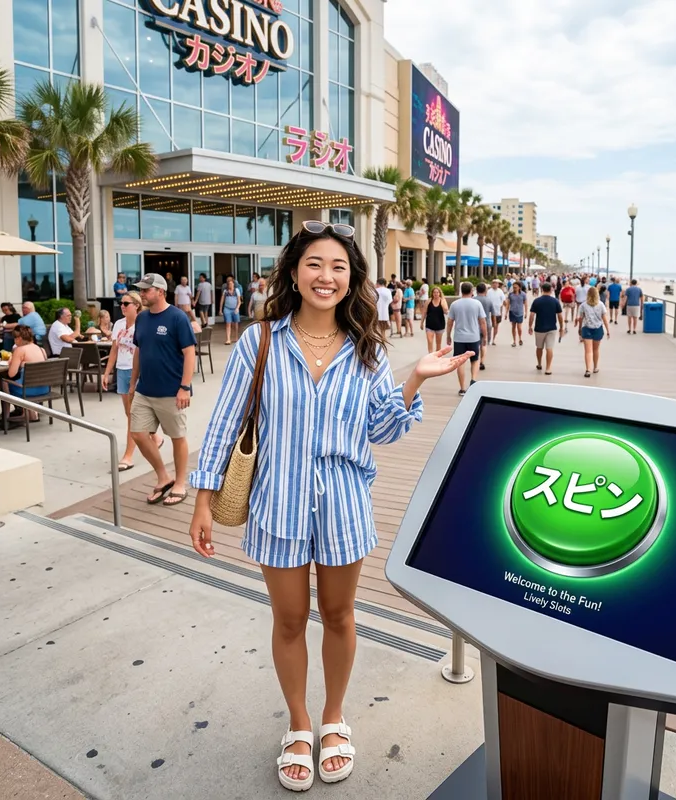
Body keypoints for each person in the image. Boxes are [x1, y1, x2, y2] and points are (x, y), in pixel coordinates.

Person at [188, 220, 469, 792]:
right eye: (316, 264)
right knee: (289, 619)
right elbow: (222, 426)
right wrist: (203, 499)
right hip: (277, 503)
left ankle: (334, 718)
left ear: (351, 279)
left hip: (343, 504)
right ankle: (298, 723)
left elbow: (382, 429)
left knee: (340, 616)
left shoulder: (366, 351)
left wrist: (414, 377)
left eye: (339, 267)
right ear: (295, 272)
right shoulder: (259, 340)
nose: (326, 276)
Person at [129, 273, 196, 508]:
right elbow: (139, 350)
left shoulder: (177, 318)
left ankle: (179, 482)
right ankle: (163, 477)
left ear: (160, 291)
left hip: (172, 391)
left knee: (177, 437)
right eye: (141, 290)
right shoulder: (142, 318)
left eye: (146, 290)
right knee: (138, 434)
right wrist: (132, 382)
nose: (142, 294)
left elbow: (189, 353)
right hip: (144, 390)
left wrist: (184, 387)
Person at [103, 291, 163, 471]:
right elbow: (114, 350)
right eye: (121, 303)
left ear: (136, 305)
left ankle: (128, 455)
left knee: (133, 416)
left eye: (126, 303)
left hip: (138, 370)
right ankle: (155, 437)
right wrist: (107, 373)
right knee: (130, 413)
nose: (122, 306)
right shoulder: (119, 324)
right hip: (122, 370)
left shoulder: (143, 322)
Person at [447, 281, 486, 396]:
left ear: (461, 291)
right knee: (474, 360)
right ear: (471, 291)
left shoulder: (455, 304)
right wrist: (485, 336)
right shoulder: (477, 304)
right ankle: (473, 380)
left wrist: (448, 335)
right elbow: (482, 322)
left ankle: (462, 388)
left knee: (460, 362)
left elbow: (450, 322)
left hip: (459, 338)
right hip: (474, 337)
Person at [2, 326, 48, 422]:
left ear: (19, 338)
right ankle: (30, 413)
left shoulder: (20, 350)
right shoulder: (41, 349)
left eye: (14, 338)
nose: (14, 341)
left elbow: (11, 374)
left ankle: (6, 417)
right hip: (44, 388)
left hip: (27, 391)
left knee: (4, 382)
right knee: (25, 380)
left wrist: (11, 362)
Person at [528, 282, 564, 375]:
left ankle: (539, 364)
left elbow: (532, 315)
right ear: (551, 289)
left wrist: (530, 326)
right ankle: (548, 368)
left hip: (539, 327)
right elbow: (560, 315)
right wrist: (561, 327)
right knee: (549, 348)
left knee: (539, 347)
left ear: (542, 289)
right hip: (552, 327)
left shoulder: (537, 301)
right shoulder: (555, 301)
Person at [577, 286, 610, 377]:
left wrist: (579, 329)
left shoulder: (583, 305)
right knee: (596, 349)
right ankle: (595, 367)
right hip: (598, 328)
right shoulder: (601, 304)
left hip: (586, 328)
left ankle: (588, 369)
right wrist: (608, 330)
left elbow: (580, 318)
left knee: (588, 351)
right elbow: (604, 319)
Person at [421, 285, 449, 353]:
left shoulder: (442, 300)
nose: (436, 294)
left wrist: (442, 304)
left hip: (440, 324)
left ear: (440, 293)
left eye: (437, 292)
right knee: (430, 341)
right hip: (429, 324)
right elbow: (424, 312)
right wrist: (421, 322)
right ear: (432, 293)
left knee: (438, 343)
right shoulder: (429, 301)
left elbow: (446, 311)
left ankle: (437, 357)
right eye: (434, 292)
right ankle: (430, 355)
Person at [475, 283, 494, 371]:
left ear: (476, 290)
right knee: (484, 343)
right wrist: (494, 324)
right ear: (485, 291)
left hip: (475, 325)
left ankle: (476, 360)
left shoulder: (473, 300)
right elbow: (493, 314)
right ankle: (482, 361)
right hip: (487, 324)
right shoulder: (489, 300)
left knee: (477, 344)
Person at [220, 275, 242, 345]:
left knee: (236, 324)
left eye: (231, 283)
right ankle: (228, 339)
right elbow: (222, 301)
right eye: (229, 284)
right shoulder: (225, 291)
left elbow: (239, 301)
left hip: (235, 309)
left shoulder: (237, 290)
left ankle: (236, 337)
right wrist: (220, 310)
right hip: (227, 309)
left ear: (233, 284)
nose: (230, 285)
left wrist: (237, 308)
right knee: (228, 323)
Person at [505, 282, 528, 346]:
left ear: (519, 287)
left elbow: (526, 304)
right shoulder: (510, 294)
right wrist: (506, 313)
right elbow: (508, 304)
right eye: (513, 287)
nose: (514, 288)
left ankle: (520, 338)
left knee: (519, 328)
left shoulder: (523, 294)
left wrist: (526, 312)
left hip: (520, 313)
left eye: (516, 287)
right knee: (513, 327)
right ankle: (514, 341)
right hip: (512, 312)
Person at [488, 279, 506, 345]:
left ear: (498, 285)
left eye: (496, 283)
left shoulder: (500, 292)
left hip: (498, 312)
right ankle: (488, 339)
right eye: (493, 283)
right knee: (489, 326)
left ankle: (493, 339)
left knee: (496, 326)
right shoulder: (489, 292)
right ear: (492, 284)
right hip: (490, 312)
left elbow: (504, 301)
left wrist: (505, 311)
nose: (495, 285)